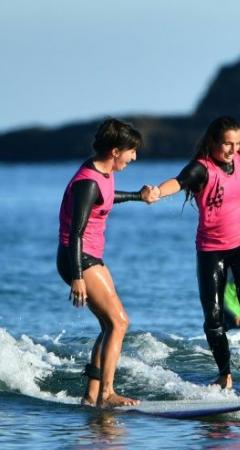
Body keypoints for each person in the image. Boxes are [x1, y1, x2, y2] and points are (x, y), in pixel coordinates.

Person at [149, 116, 240, 393]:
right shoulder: (201, 168)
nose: (233, 149)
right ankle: (224, 375)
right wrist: (158, 192)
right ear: (212, 142)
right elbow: (179, 181)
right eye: (226, 144)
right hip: (211, 249)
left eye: (235, 143)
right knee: (214, 316)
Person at [57, 118, 155, 408]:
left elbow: (108, 199)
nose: (134, 157)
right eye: (131, 151)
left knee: (109, 324)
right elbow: (75, 232)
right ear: (115, 151)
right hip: (78, 258)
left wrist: (139, 195)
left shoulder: (103, 175)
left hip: (89, 257)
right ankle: (107, 393)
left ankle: (92, 394)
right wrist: (77, 277)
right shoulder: (87, 182)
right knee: (119, 321)